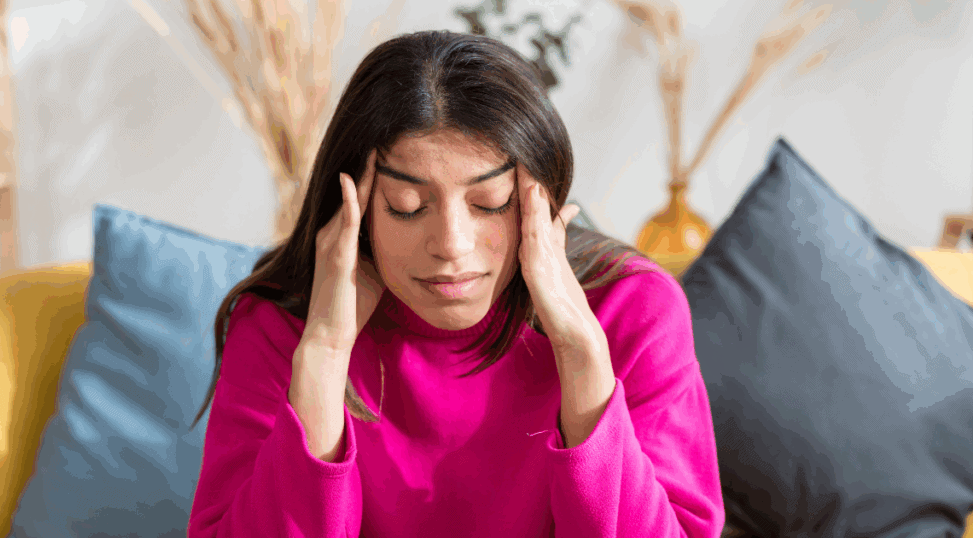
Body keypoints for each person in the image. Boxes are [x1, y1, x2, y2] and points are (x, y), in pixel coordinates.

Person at [186, 29, 724, 538]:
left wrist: (582, 356)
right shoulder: (285, 326)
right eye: (407, 207)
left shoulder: (634, 308)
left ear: (542, 196)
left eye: (489, 204)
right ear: (356, 206)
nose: (451, 244)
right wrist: (324, 358)